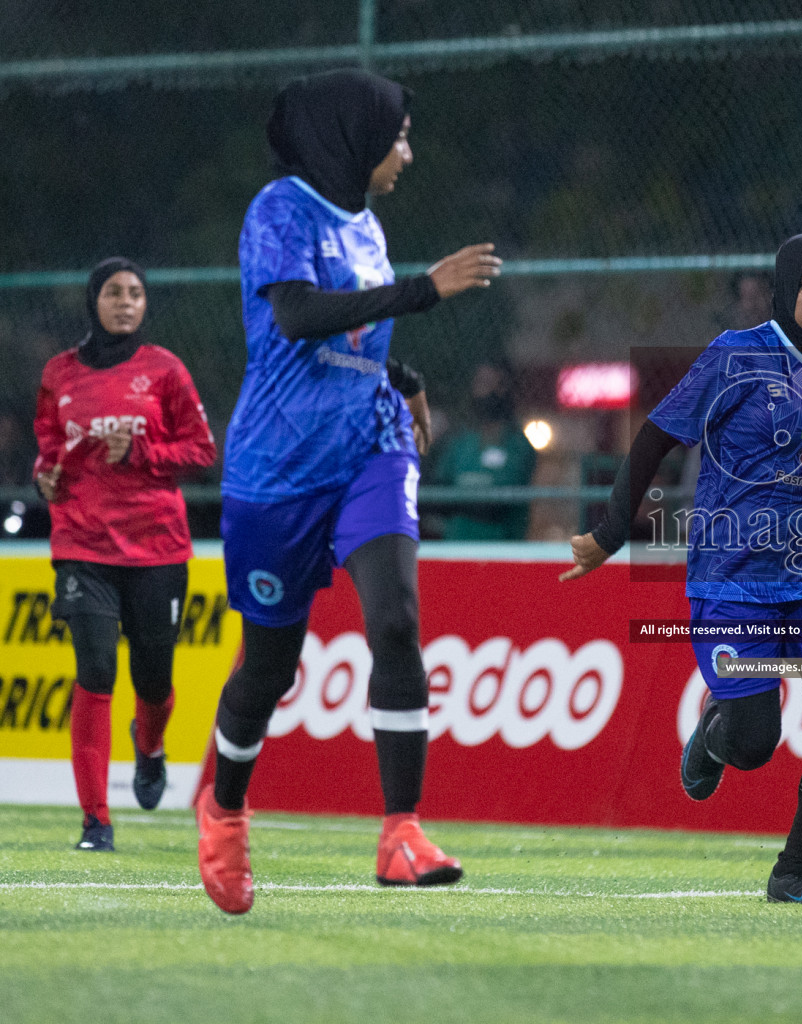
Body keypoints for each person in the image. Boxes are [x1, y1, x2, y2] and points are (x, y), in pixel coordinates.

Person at [561, 233, 802, 904]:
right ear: (783, 291)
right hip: (732, 580)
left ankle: (795, 873)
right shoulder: (735, 356)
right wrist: (608, 534)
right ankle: (715, 740)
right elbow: (656, 437)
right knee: (755, 743)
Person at [197, 69, 502, 915]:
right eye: (398, 134)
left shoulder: (367, 223)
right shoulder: (279, 211)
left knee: (397, 619)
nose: (407, 150)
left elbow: (355, 331)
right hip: (278, 470)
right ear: (353, 136)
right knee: (268, 666)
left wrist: (400, 375)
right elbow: (295, 317)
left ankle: (401, 832)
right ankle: (223, 810)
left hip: (369, 445)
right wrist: (425, 291)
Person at [31, 258, 217, 852]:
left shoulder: (164, 370)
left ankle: (151, 742)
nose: (125, 302)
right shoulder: (58, 373)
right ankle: (95, 821)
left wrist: (142, 450)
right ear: (94, 301)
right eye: (113, 292)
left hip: (157, 547)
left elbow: (202, 451)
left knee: (154, 681)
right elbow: (48, 448)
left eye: (135, 293)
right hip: (82, 545)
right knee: (95, 672)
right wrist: (44, 474)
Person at [429, 361, 538, 540]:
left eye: (490, 384)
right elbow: (437, 493)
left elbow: (497, 504)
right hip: (456, 547)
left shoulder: (517, 444)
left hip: (500, 550)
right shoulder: (461, 441)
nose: (482, 391)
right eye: (479, 383)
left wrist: (458, 499)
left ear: (505, 389)